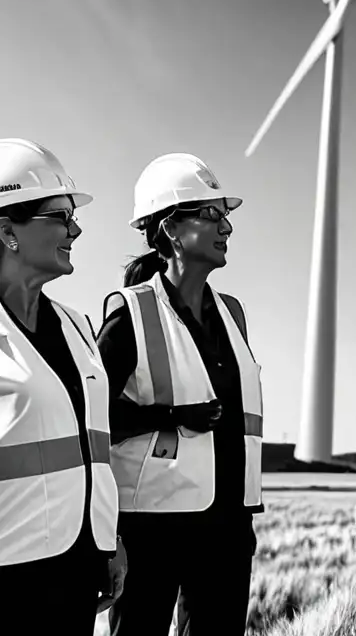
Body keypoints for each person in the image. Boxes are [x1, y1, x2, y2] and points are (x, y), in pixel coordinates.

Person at [98, 153, 264, 636]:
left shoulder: (233, 313)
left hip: (229, 525)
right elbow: (93, 419)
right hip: (153, 528)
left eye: (225, 215)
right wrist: (169, 416)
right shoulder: (130, 314)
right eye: (211, 214)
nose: (226, 227)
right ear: (171, 229)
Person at [0, 139, 125, 633]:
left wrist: (111, 541)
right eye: (59, 215)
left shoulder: (77, 326)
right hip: (10, 572)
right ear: (8, 229)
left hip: (78, 563)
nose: (76, 228)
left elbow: (96, 451)